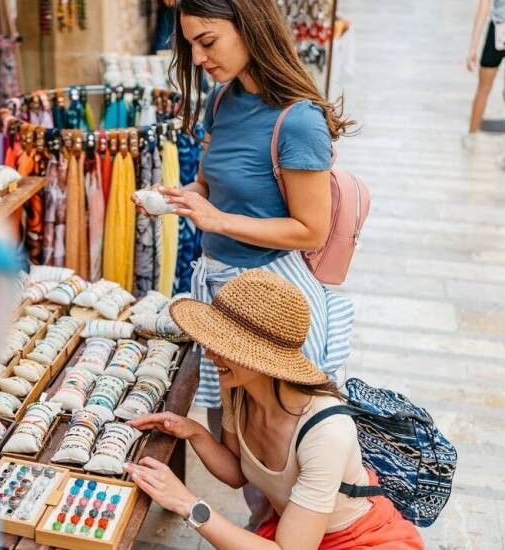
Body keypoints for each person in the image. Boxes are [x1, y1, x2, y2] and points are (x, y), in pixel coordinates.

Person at [131, 0, 356, 529]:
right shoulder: (220, 101)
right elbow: (210, 185)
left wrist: (218, 221)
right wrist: (179, 198)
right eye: (191, 44)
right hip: (221, 294)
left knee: (281, 448)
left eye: (207, 41)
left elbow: (310, 229)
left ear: (250, 28)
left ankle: (286, 535)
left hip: (273, 300)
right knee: (238, 436)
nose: (198, 57)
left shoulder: (298, 120)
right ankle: (265, 530)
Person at [124, 270, 424, 549]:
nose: (210, 353)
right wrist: (193, 431)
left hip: (361, 540)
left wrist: (188, 504)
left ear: (262, 358)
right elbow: (236, 474)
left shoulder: (327, 433)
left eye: (223, 345)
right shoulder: (238, 387)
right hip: (299, 532)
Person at [464, 0, 505, 172]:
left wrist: (473, 48)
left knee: (484, 88)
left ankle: (471, 135)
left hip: (499, 29)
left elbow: (483, 9)